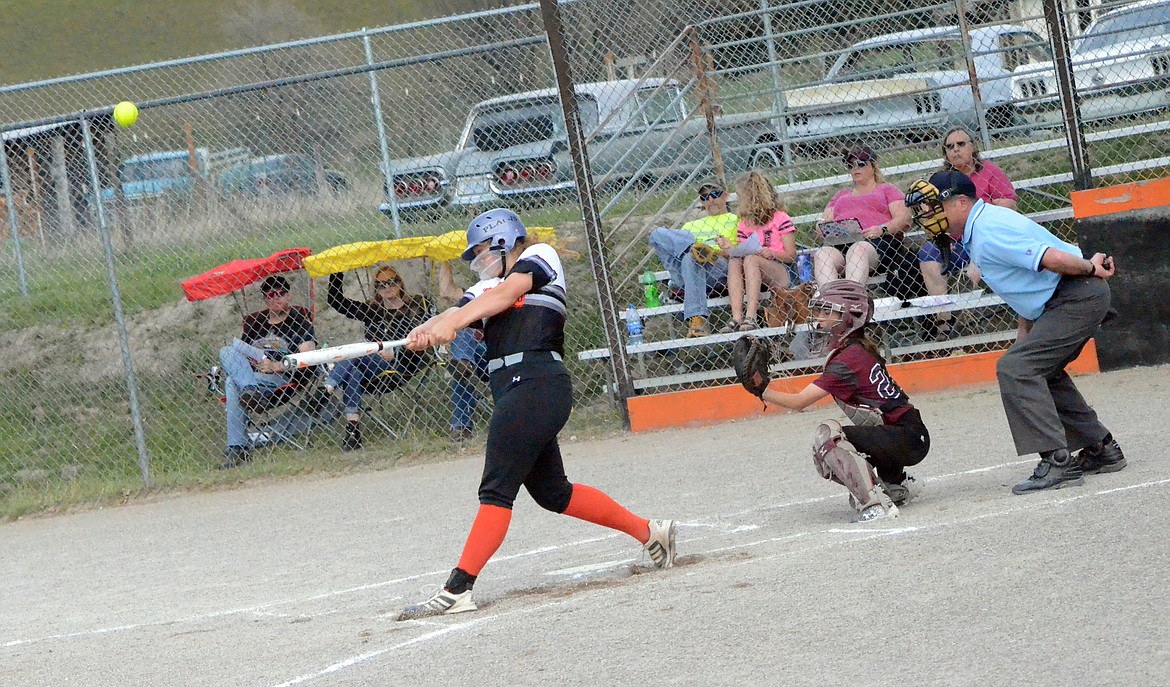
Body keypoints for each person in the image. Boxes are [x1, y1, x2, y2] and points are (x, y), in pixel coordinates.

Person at [397, 208, 677, 619]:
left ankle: (458, 589)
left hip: (536, 382)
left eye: (482, 254)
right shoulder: (487, 287)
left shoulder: (541, 256)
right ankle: (651, 532)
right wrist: (423, 331)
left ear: (504, 242)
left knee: (496, 490)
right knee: (552, 493)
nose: (479, 264)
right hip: (515, 390)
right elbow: (458, 310)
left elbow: (505, 296)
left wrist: (455, 321)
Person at [926, 169, 1126, 494]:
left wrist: (1091, 267)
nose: (931, 216)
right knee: (1033, 367)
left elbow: (1051, 259)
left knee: (1016, 369)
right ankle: (1101, 447)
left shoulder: (989, 229)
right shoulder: (982, 227)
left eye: (938, 206)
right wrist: (1024, 339)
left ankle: (1057, 462)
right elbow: (1027, 288)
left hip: (1076, 293)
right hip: (1066, 297)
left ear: (962, 202)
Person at [742, 279, 929, 522]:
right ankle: (894, 485)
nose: (818, 318)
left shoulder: (849, 358)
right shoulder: (855, 349)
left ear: (849, 316)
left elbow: (800, 402)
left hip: (906, 437)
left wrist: (760, 389)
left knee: (827, 436)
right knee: (848, 436)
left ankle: (874, 504)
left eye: (826, 311)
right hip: (908, 434)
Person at [917, 128, 1019, 339]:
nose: (955, 150)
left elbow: (1008, 204)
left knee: (978, 250)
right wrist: (941, 237)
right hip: (952, 241)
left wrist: (976, 211)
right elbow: (931, 216)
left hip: (984, 235)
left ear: (973, 147)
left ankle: (971, 315)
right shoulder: (938, 181)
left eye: (961, 144)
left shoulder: (990, 171)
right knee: (928, 254)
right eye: (950, 147)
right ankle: (944, 322)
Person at [324, 265, 429, 450]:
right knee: (354, 368)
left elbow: (423, 340)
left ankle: (326, 389)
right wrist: (337, 269)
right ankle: (353, 429)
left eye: (391, 283)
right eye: (381, 285)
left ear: (400, 283)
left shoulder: (415, 306)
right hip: (369, 367)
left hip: (400, 366)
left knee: (356, 351)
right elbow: (335, 300)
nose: (387, 288)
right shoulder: (373, 310)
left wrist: (395, 352)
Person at [218, 275, 317, 468]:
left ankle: (238, 449)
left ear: (289, 296)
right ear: (265, 299)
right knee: (226, 351)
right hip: (254, 375)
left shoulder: (300, 320)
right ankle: (250, 390)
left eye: (281, 293)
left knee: (231, 383)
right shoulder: (256, 323)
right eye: (270, 295)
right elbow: (240, 355)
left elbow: (308, 355)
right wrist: (255, 364)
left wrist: (277, 366)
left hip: (282, 379)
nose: (276, 298)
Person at [814, 146, 923, 302]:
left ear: (873, 166)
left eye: (861, 164)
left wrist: (882, 229)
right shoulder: (842, 194)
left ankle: (852, 304)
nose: (855, 168)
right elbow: (823, 223)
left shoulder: (886, 189)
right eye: (851, 165)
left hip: (877, 241)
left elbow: (904, 219)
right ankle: (832, 304)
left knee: (858, 249)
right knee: (822, 254)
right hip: (843, 241)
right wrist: (827, 228)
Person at [649, 179, 739, 337]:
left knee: (691, 257)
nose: (710, 200)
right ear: (701, 201)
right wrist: (694, 249)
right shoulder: (691, 226)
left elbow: (739, 253)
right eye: (705, 197)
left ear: (725, 195)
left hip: (716, 270)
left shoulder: (735, 220)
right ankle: (696, 249)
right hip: (685, 274)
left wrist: (716, 252)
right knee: (656, 233)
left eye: (715, 194)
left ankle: (697, 320)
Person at [716, 170, 797, 333]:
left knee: (751, 259)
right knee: (735, 260)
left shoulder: (780, 218)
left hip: (780, 270)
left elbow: (791, 255)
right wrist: (729, 248)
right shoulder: (744, 223)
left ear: (751, 197)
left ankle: (751, 317)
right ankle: (736, 317)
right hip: (752, 270)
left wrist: (772, 253)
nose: (738, 200)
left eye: (740, 196)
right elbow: (742, 251)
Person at [438, 260, 489, 441]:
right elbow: (446, 293)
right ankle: (464, 364)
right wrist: (444, 258)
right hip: (475, 355)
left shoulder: (509, 285)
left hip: (496, 349)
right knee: (460, 329)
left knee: (461, 368)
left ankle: (461, 426)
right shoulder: (475, 293)